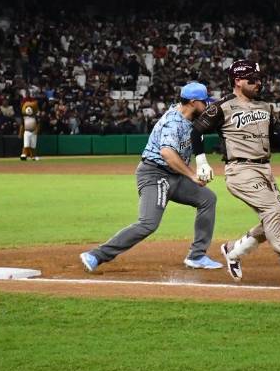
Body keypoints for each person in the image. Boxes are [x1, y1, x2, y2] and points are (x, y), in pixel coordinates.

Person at [190, 60, 280, 289]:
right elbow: (196, 131)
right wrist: (201, 161)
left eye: (260, 78)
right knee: (271, 212)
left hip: (265, 169)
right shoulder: (222, 107)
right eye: (252, 78)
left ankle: (234, 250)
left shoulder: (265, 107)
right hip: (240, 170)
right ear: (238, 81)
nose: (258, 82)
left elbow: (273, 136)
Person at [80, 82, 222, 272]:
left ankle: (197, 256)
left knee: (207, 199)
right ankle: (96, 255)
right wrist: (193, 175)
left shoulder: (192, 120)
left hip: (174, 175)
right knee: (148, 223)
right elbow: (167, 153)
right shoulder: (174, 121)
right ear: (194, 103)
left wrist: (200, 165)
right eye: (204, 102)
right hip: (155, 174)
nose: (207, 106)